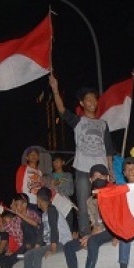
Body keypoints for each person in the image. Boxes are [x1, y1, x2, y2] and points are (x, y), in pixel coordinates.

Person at [49, 74, 115, 237]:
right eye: (88, 100)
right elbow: (62, 111)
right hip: (83, 169)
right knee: (84, 204)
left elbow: (108, 149)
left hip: (101, 170)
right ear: (82, 103)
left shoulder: (103, 124)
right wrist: (55, 90)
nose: (92, 102)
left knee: (104, 201)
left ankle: (108, 230)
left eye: (94, 99)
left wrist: (111, 171)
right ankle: (86, 235)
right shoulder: (78, 121)